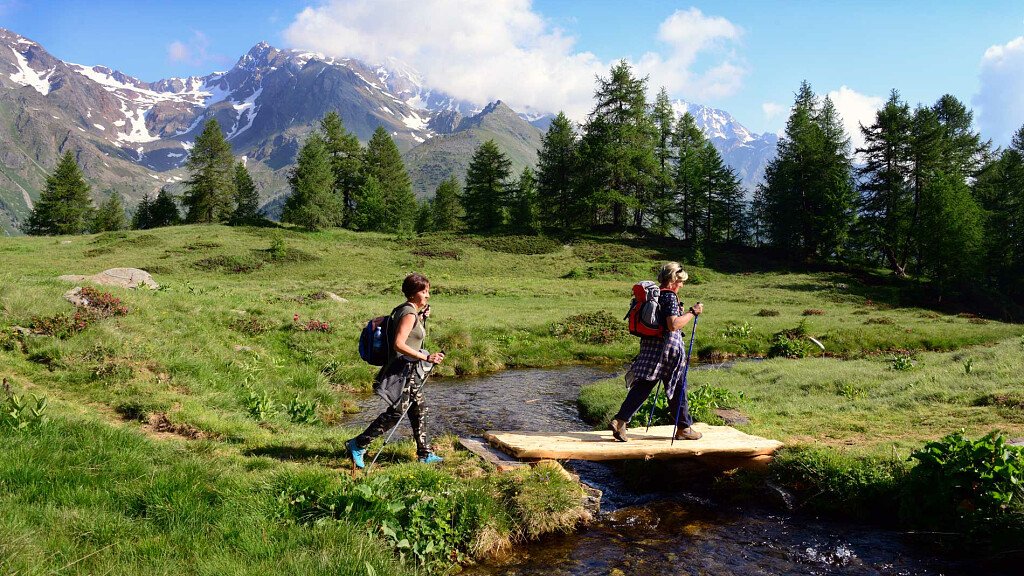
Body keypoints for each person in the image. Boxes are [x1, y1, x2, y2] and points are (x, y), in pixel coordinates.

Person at [347, 273, 446, 468]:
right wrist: (426, 357)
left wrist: (420, 316)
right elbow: (399, 344)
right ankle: (358, 444)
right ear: (413, 293)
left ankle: (425, 453)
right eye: (424, 291)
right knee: (397, 412)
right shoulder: (408, 313)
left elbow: (407, 333)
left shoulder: (405, 310)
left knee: (419, 409)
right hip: (404, 370)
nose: (428, 295)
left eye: (428, 291)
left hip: (408, 369)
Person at [611, 262, 704, 442]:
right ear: (674, 280)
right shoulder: (669, 297)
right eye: (681, 281)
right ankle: (684, 428)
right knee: (678, 387)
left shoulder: (656, 295)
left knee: (643, 386)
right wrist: (693, 312)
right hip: (667, 350)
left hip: (650, 347)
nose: (682, 285)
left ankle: (620, 421)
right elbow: (673, 325)